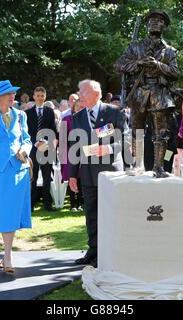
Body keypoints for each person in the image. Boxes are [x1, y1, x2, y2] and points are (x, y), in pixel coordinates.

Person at [69, 79, 129, 267]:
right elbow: (75, 148)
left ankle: (112, 252)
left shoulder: (114, 112)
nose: (80, 96)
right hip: (87, 174)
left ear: (97, 93)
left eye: (83, 92)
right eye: (79, 92)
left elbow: (126, 140)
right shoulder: (78, 117)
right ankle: (93, 251)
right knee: (91, 214)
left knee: (111, 214)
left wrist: (108, 149)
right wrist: (72, 174)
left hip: (110, 173)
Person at [114, 9, 180, 177]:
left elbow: (175, 73)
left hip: (160, 94)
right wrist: (138, 63)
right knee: (137, 131)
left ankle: (158, 167)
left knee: (161, 133)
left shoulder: (170, 51)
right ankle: (138, 165)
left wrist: (158, 65)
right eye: (151, 21)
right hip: (139, 93)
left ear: (164, 26)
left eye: (159, 21)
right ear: (147, 25)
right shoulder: (135, 47)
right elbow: (119, 66)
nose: (155, 23)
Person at [0, 80, 32, 274]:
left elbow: (27, 139)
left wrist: (24, 149)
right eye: (9, 93)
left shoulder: (21, 115)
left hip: (19, 170)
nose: (13, 96)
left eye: (13, 93)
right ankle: (7, 255)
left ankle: (7, 254)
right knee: (4, 211)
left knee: (12, 212)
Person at [26, 87, 58, 212]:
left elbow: (53, 130)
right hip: (33, 149)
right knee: (33, 176)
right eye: (37, 95)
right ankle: (31, 203)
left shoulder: (50, 112)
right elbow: (27, 132)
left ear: (45, 97)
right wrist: (36, 143)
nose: (40, 97)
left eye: (42, 95)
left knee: (46, 176)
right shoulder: (28, 113)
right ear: (33, 96)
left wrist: (45, 141)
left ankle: (47, 203)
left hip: (47, 148)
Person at [59, 99, 84, 211]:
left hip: (84, 152)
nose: (79, 108)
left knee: (82, 177)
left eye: (81, 106)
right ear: (73, 108)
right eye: (77, 106)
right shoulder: (66, 119)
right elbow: (63, 140)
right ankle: (73, 204)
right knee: (72, 177)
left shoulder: (87, 120)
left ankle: (80, 203)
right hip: (70, 152)